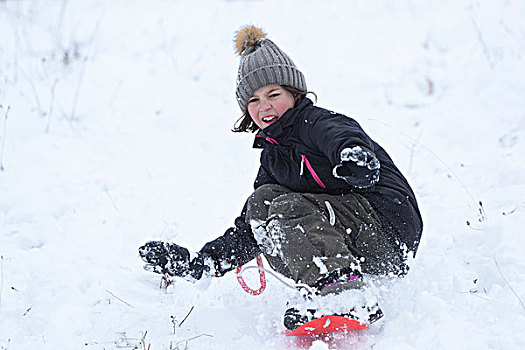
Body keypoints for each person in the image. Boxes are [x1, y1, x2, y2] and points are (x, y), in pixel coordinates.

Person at [138, 25, 423, 331]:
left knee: (288, 207)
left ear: (294, 93)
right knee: (262, 203)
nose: (265, 106)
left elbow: (343, 138)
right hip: (353, 239)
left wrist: (354, 158)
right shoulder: (273, 157)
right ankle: (326, 286)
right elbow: (250, 229)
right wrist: (203, 262)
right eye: (254, 100)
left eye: (273, 94)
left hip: (387, 231)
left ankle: (344, 295)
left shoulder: (318, 123)